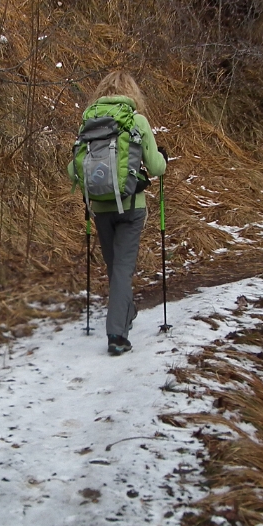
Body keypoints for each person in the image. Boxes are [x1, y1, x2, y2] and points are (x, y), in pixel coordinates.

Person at [67, 71, 168, 355]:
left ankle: (126, 313)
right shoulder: (136, 121)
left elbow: (72, 171)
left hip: (99, 206)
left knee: (115, 268)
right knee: (123, 268)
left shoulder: (90, 121)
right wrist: (163, 156)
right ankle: (117, 334)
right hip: (131, 206)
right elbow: (157, 167)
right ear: (131, 92)